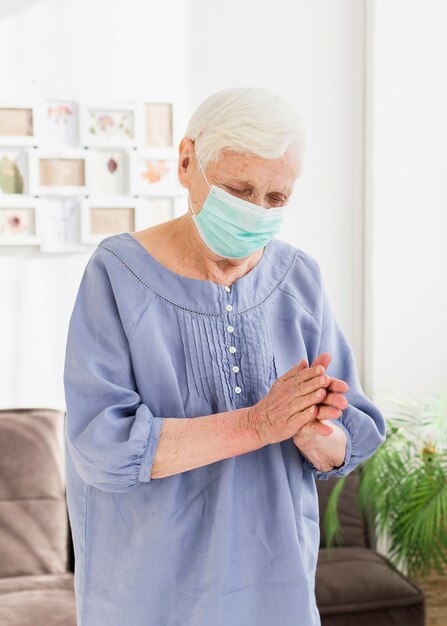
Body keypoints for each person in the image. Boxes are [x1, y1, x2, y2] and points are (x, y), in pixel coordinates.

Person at [63, 86, 386, 626]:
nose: (257, 212)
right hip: (151, 593)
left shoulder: (299, 278)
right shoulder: (117, 273)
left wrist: (314, 433)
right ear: (187, 161)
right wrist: (259, 424)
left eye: (276, 198)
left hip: (275, 588)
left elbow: (346, 443)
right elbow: (102, 446)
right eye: (239, 190)